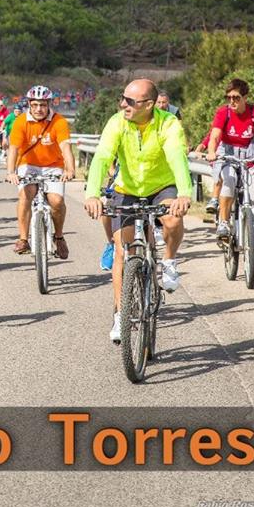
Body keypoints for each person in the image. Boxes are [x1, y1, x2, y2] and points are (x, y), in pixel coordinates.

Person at [83, 79, 192, 342]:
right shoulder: (117, 122)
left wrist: (184, 192)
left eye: (131, 101)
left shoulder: (168, 124)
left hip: (162, 186)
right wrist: (92, 193)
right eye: (123, 98)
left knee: (172, 220)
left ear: (150, 104)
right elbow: (102, 156)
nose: (123, 104)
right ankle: (121, 314)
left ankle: (169, 260)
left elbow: (176, 156)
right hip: (127, 188)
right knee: (122, 251)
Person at [207, 78, 254, 256]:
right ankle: (224, 222)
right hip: (228, 156)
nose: (232, 101)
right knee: (228, 182)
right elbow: (215, 135)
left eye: (236, 98)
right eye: (229, 98)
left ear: (245, 97)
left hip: (251, 158)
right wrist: (211, 151)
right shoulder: (223, 112)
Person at [6, 85, 75, 258]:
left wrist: (70, 169)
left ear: (49, 104)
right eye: (35, 105)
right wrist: (11, 172)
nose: (38, 109)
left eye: (43, 105)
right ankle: (23, 239)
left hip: (53, 165)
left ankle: (59, 237)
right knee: (26, 194)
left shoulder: (59, 121)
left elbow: (66, 147)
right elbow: (13, 149)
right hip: (28, 164)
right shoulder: (21, 121)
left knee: (56, 201)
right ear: (29, 104)